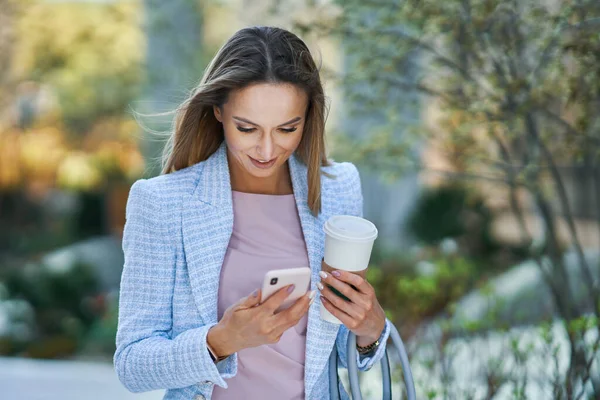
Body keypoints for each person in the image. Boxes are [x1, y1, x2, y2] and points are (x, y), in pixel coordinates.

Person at [114, 26, 391, 400]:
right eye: (247, 128)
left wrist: (370, 328)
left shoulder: (338, 189)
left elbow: (331, 352)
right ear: (217, 111)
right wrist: (222, 340)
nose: (266, 149)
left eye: (286, 128)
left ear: (308, 117)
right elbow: (132, 364)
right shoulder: (163, 202)